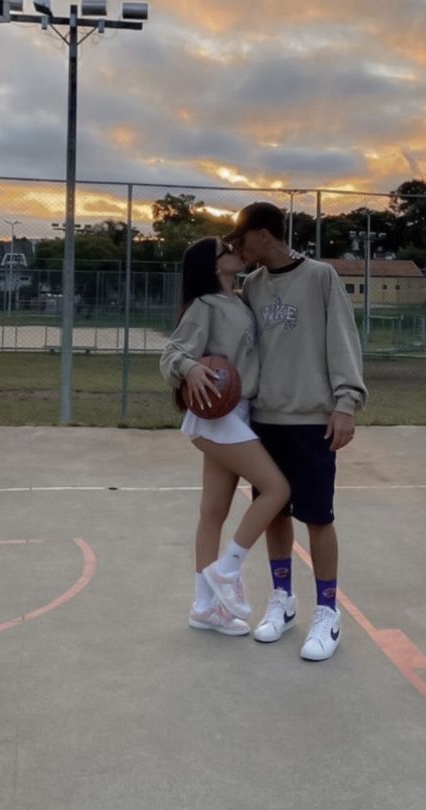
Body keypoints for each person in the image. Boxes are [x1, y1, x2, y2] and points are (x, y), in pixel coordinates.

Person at [224, 202, 367, 661]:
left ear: (264, 234)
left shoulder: (320, 277)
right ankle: (283, 600)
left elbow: (343, 340)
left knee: (319, 517)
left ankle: (328, 611)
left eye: (242, 239)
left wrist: (346, 403)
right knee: (275, 514)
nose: (238, 248)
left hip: (312, 419)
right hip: (267, 418)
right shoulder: (252, 286)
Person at [160, 236, 290, 637]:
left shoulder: (238, 299)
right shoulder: (204, 306)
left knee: (212, 512)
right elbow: (171, 355)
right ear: (215, 265)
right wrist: (190, 368)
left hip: (237, 413)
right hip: (218, 418)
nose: (236, 250)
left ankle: (204, 608)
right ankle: (228, 569)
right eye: (226, 248)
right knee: (276, 489)